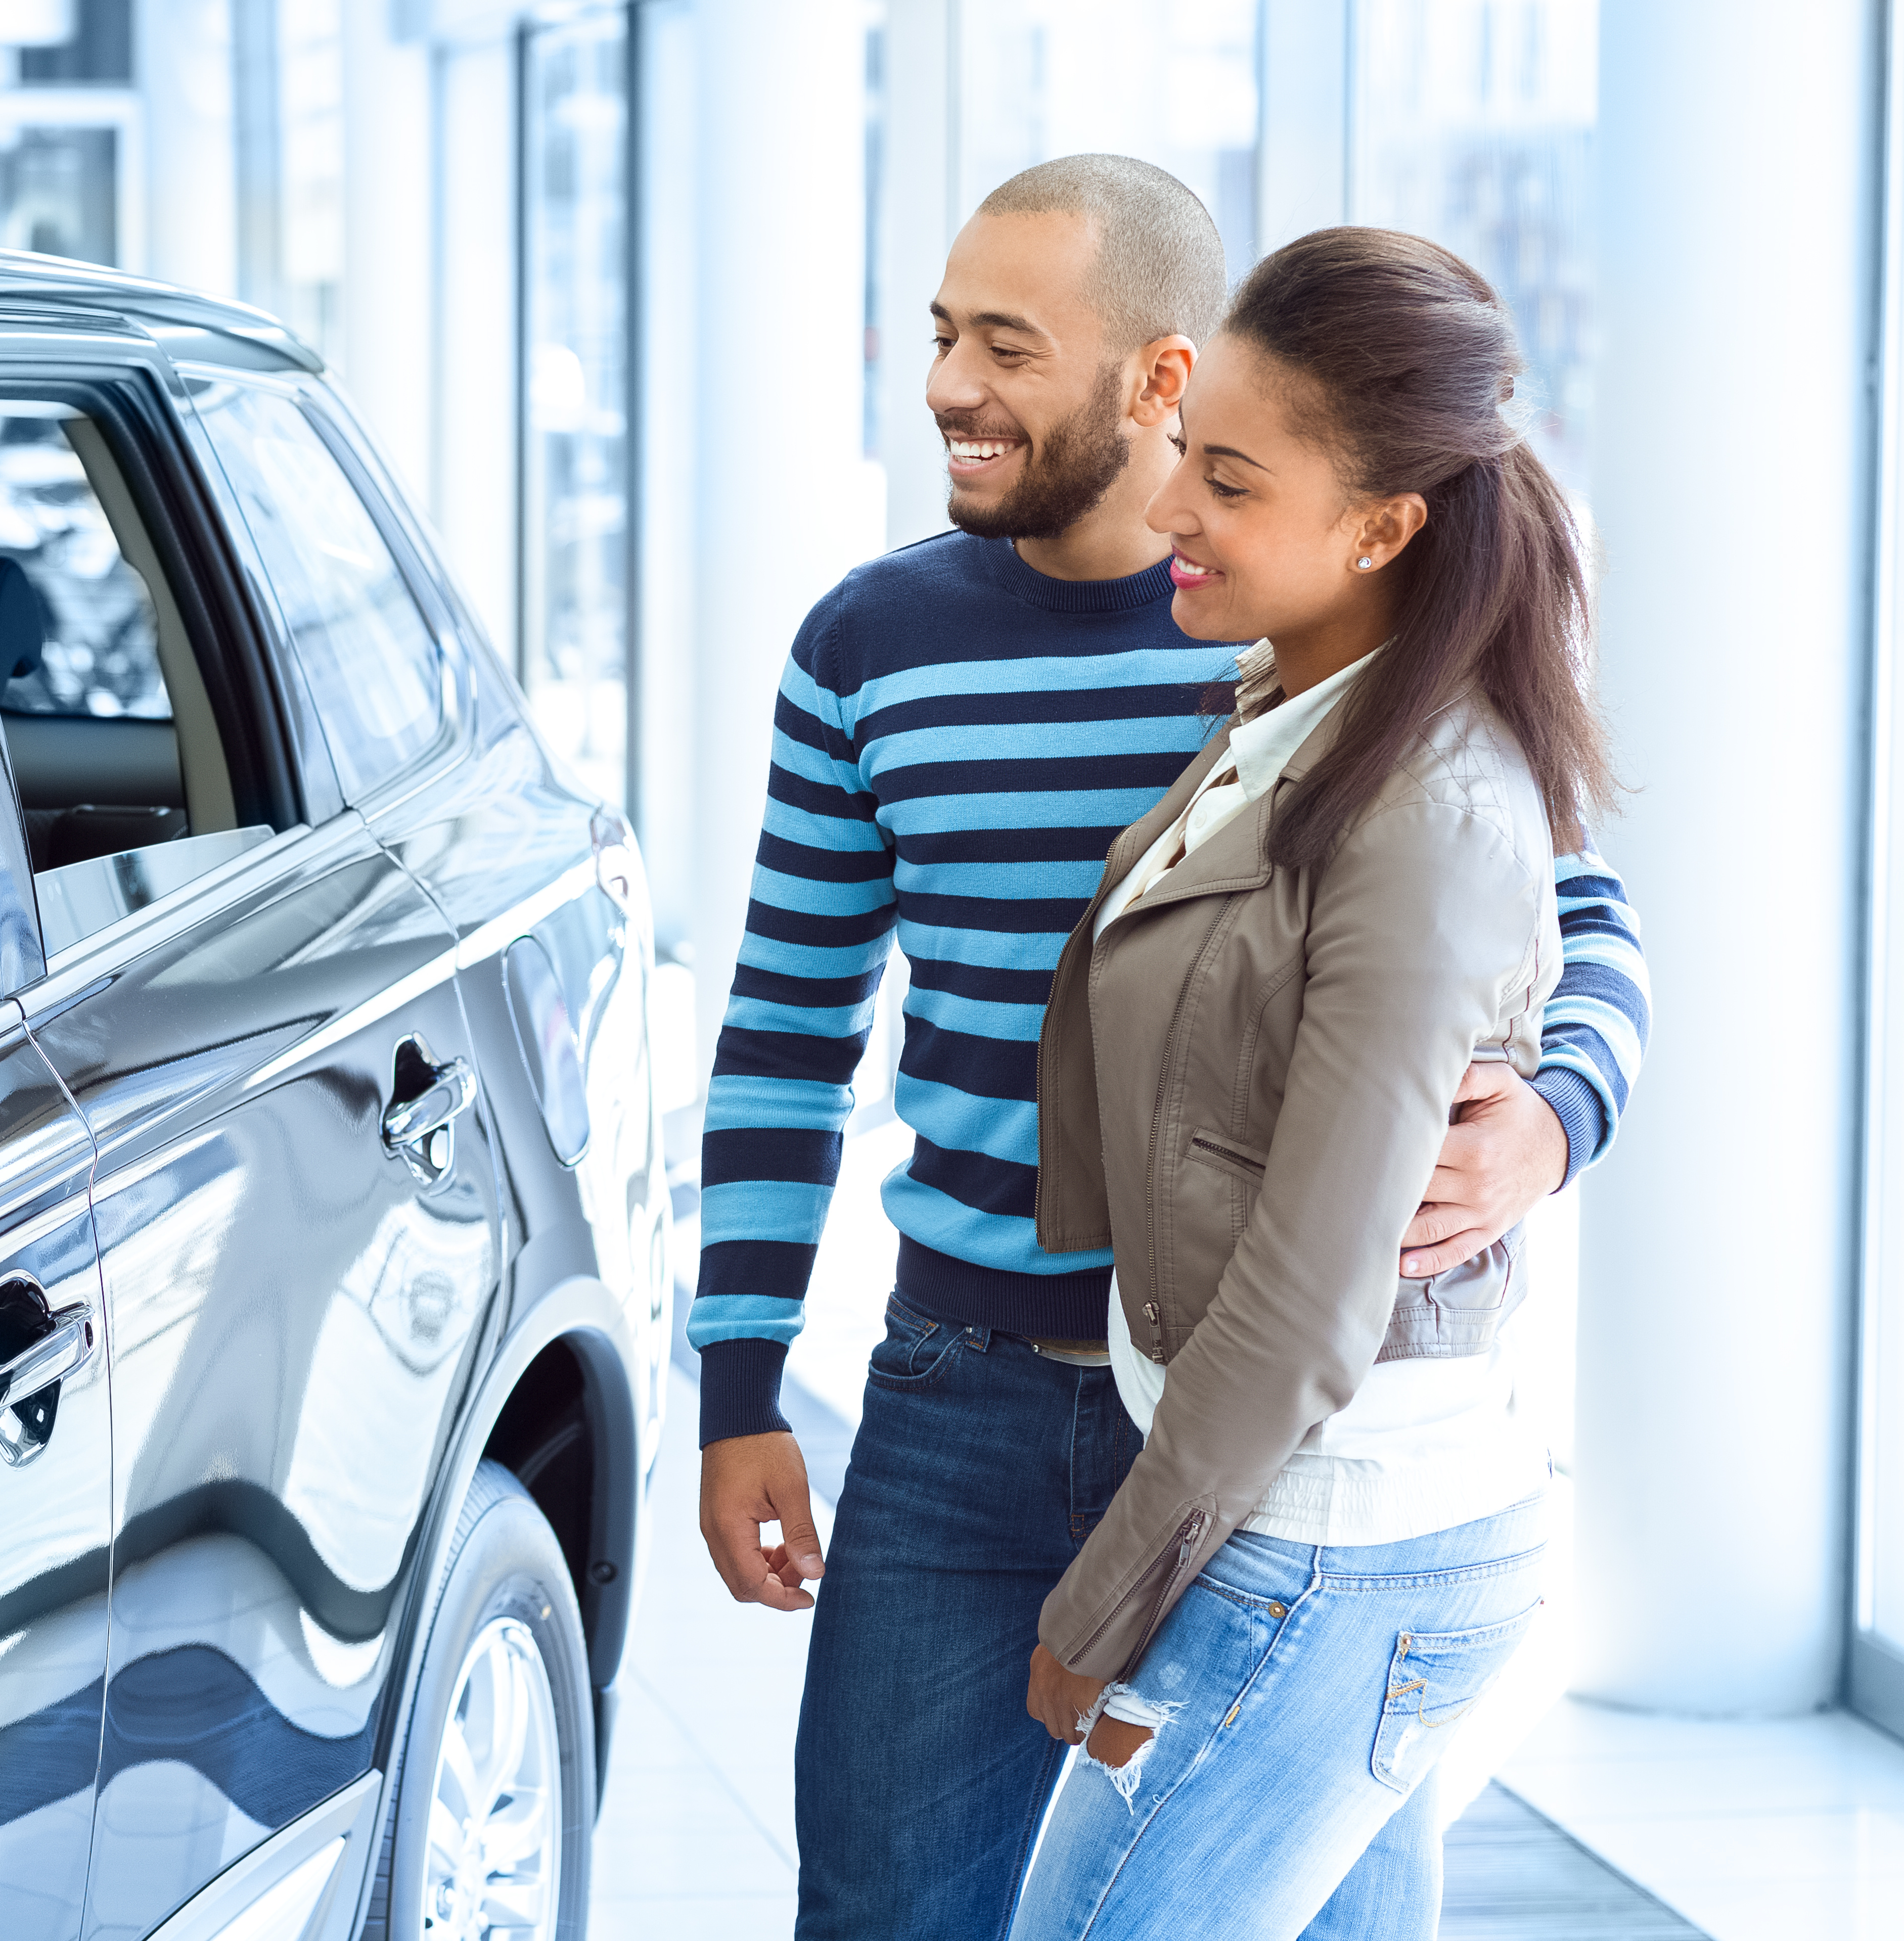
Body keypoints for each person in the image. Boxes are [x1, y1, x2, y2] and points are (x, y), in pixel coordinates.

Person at [689, 155, 1648, 1940]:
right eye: (941, 334)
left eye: (1007, 345)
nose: (950, 389)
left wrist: (1555, 1120)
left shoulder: (1304, 632)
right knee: (892, 1911)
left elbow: (1569, 917)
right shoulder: (870, 648)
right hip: (961, 1390)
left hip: (1273, 1430)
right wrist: (737, 1379)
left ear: (1160, 376)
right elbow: (785, 1026)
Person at [1009, 223, 1600, 1940]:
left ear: (1382, 526)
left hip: (1322, 1555)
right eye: (1188, 454)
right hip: (1309, 1534)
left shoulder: (1426, 812)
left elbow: (1306, 1297)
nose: (1171, 510)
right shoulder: (1298, 700)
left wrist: (1099, 1608)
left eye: (1230, 482)